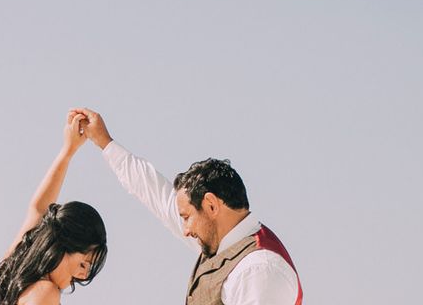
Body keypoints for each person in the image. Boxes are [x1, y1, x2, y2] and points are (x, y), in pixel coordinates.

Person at [73, 107, 303, 305]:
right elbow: (155, 193)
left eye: (186, 217)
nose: (185, 230)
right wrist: (104, 142)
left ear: (211, 205)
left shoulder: (259, 270)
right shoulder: (222, 242)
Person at [0, 111, 107, 305]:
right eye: (83, 263)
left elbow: (38, 208)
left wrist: (68, 150)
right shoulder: (45, 293)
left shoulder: (6, 278)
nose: (83, 275)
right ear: (61, 246)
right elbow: (39, 209)